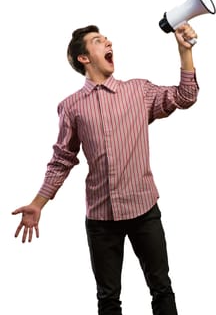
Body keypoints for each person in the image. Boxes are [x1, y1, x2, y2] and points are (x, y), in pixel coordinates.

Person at [12, 23, 199, 315]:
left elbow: (185, 97)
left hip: (144, 211)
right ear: (83, 58)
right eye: (99, 41)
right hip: (100, 219)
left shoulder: (139, 91)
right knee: (108, 299)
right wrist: (38, 203)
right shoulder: (71, 107)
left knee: (161, 288)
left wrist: (184, 51)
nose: (108, 42)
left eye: (106, 39)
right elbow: (62, 159)